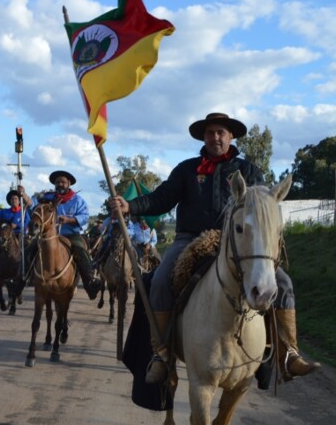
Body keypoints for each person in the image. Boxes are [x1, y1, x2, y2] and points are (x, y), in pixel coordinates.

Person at [109, 112, 320, 383]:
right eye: (210, 132)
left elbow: (262, 209)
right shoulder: (187, 169)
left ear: (231, 136)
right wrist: (130, 206)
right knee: (159, 280)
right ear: (204, 137)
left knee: (283, 283)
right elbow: (162, 199)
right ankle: (162, 354)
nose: (216, 137)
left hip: (237, 242)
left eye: (221, 132)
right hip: (189, 239)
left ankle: (288, 354)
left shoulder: (249, 171)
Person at [20, 171, 103, 300]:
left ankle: (89, 283)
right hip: (49, 235)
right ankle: (20, 280)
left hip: (71, 234)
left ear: (69, 183)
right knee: (30, 249)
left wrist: (69, 220)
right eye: (58, 182)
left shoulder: (77, 200)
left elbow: (85, 216)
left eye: (63, 182)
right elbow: (34, 205)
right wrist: (24, 195)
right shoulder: (47, 197)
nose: (60, 184)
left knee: (81, 250)